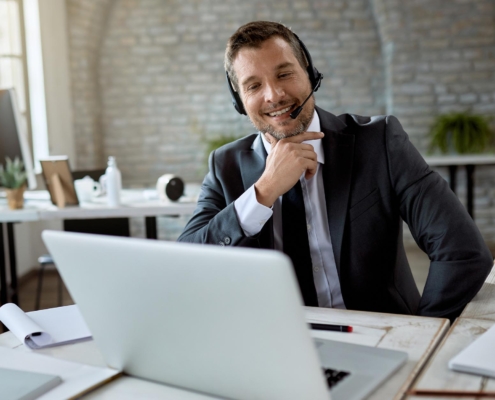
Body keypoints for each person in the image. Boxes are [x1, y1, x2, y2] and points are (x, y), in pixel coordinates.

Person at [178, 21, 493, 321]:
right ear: (239, 101)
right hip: (276, 344)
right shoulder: (225, 165)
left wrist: (422, 335)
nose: (273, 95)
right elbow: (185, 264)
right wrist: (264, 191)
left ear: (310, 74)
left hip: (379, 338)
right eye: (254, 85)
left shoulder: (380, 142)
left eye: (284, 74)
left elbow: (462, 252)